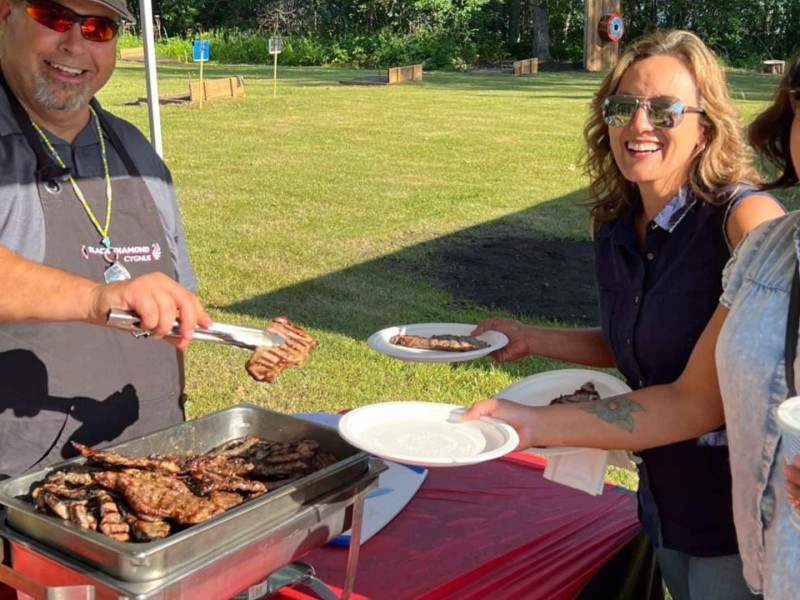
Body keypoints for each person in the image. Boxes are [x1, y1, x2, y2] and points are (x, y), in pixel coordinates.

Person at [467, 47, 800, 599]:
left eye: (666, 110)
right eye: (622, 107)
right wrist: (530, 339)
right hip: (662, 496)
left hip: (736, 517)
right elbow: (641, 342)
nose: (639, 124)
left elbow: (703, 395)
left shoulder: (750, 226)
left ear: (706, 127)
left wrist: (530, 422)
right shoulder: (617, 226)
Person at [0, 0, 211, 482]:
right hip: (23, 489)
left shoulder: (135, 151)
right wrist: (96, 298)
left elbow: (176, 299)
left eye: (99, 27)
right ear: (6, 14)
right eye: (54, 16)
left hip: (156, 465)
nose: (75, 43)